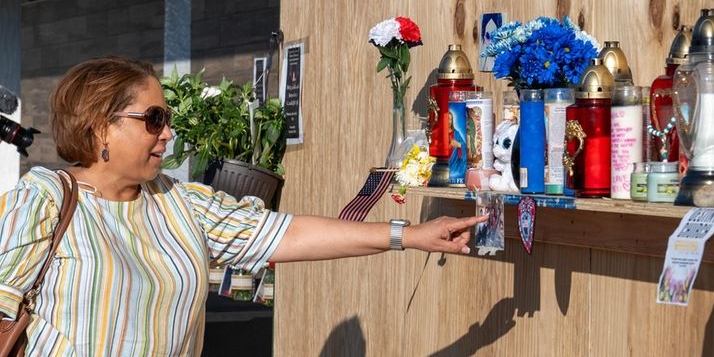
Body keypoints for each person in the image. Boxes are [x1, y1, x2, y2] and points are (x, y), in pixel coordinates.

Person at [0, 56, 487, 356]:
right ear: (100, 126)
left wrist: (409, 235)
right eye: (153, 118)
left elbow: (287, 234)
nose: (168, 132)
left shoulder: (180, 203)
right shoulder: (42, 199)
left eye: (166, 118)